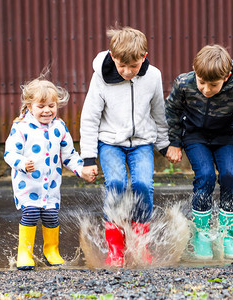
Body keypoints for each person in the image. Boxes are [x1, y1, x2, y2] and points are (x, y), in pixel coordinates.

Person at [165, 44, 233, 260]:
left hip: (224, 137)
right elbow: (171, 111)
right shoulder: (184, 83)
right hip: (194, 136)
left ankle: (225, 236)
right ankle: (202, 236)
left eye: (213, 85)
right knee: (206, 176)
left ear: (226, 76)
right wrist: (174, 142)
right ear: (194, 70)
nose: (206, 89)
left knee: (230, 176)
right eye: (202, 82)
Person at [80, 27, 170, 267]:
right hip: (110, 143)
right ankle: (115, 247)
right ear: (112, 55)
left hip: (141, 143)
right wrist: (88, 158)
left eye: (134, 66)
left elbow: (158, 112)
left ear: (144, 56)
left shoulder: (153, 76)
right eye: (122, 66)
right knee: (117, 184)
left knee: (142, 184)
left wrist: (164, 145)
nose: (128, 72)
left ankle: (139, 244)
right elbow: (90, 117)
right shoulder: (101, 76)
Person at [4, 77, 94, 270]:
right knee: (30, 214)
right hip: (28, 185)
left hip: (50, 186)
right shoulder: (21, 127)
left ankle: (51, 250)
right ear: (29, 106)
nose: (47, 110)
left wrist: (81, 169)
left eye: (51, 106)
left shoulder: (59, 127)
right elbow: (10, 153)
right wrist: (21, 163)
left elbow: (69, 155)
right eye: (41, 106)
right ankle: (24, 253)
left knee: (51, 217)